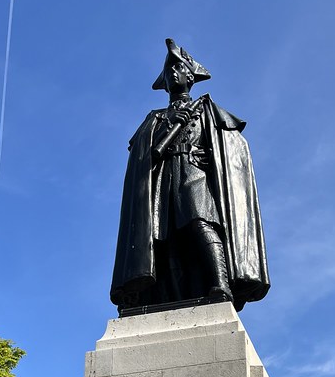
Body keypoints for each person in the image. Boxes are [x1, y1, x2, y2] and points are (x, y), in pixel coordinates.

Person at [110, 38, 269, 314]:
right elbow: (141, 152)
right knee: (165, 238)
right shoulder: (155, 118)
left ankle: (221, 284)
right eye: (169, 70)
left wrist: (213, 158)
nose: (173, 73)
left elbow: (232, 145)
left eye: (179, 67)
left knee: (200, 223)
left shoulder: (207, 110)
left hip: (194, 172)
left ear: (191, 76)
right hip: (163, 178)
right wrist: (167, 128)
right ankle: (166, 296)